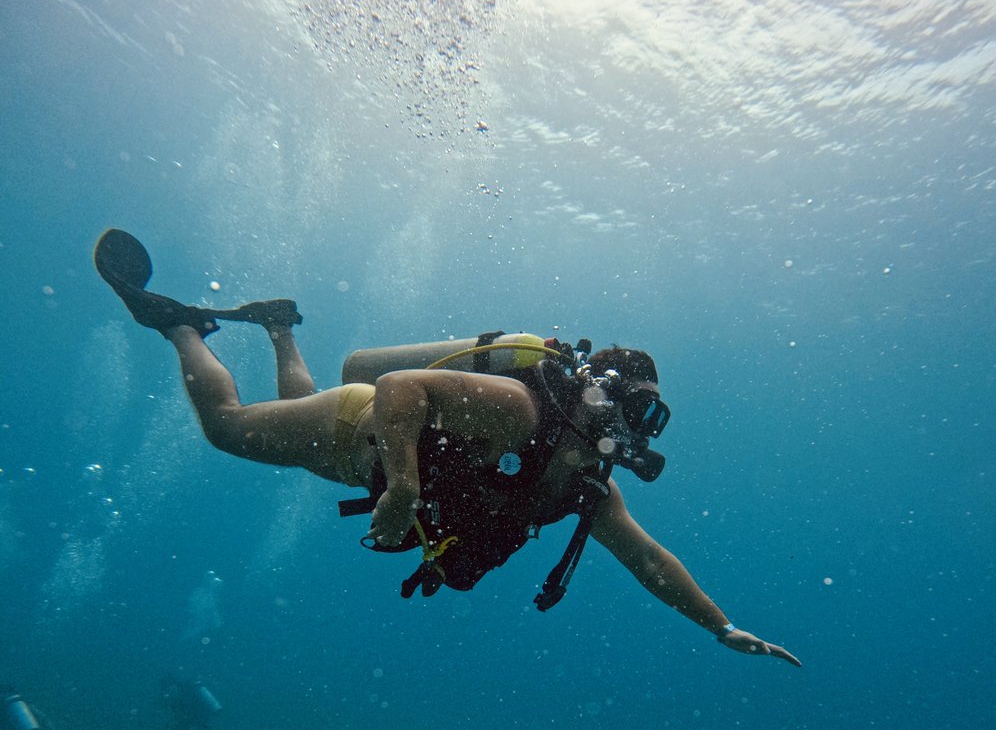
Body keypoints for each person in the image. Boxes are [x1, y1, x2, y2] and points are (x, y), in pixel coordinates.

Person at [93, 228, 800, 666]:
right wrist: (402, 487)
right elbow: (403, 388)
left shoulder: (589, 487)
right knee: (227, 428)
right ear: (602, 395)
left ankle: (280, 328)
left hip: (369, 451)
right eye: (639, 409)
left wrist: (720, 627)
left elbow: (648, 559)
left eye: (655, 420)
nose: (639, 432)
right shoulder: (528, 411)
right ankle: (180, 327)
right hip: (362, 429)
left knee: (278, 413)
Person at [159, 676, 252, 730]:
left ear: (174, 686)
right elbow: (179, 716)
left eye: (169, 689)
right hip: (199, 721)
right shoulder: (176, 698)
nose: (167, 694)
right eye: (166, 692)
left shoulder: (188, 693)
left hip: (204, 718)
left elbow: (195, 711)